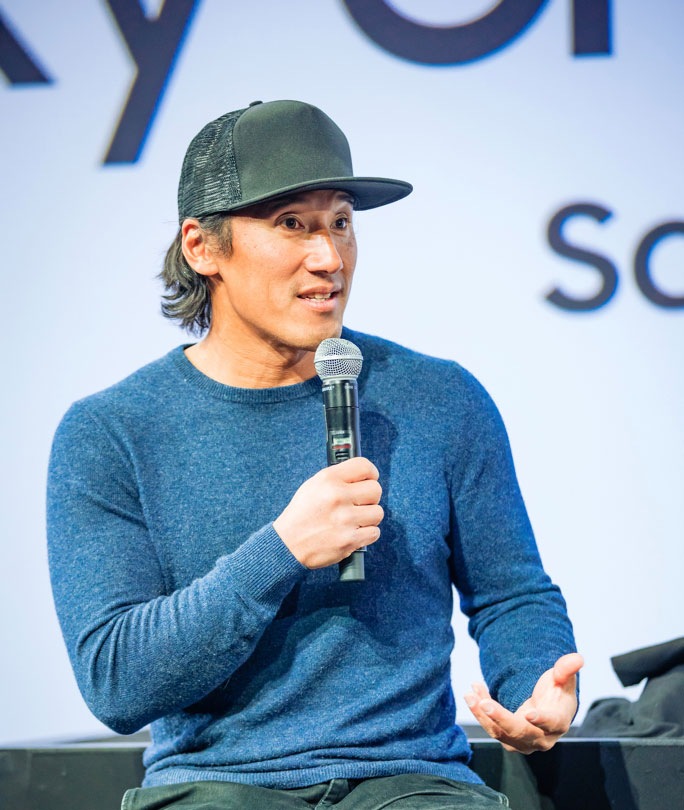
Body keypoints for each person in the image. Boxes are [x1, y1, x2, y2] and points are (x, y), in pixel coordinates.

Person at [47, 99, 583, 810]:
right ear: (203, 247)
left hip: (411, 780)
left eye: (340, 224)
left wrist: (534, 684)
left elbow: (512, 592)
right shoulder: (110, 432)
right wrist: (281, 549)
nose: (328, 258)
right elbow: (118, 682)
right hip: (218, 787)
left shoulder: (439, 398)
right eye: (291, 225)